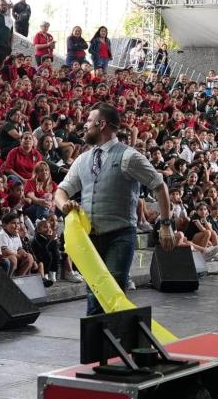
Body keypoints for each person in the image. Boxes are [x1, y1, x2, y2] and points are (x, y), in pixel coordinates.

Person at [54, 101, 176, 314]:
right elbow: (60, 191)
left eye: (89, 121)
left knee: (112, 293)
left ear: (101, 124)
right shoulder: (83, 159)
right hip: (90, 238)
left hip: (120, 236)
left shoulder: (129, 156)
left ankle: (110, 343)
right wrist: (65, 205)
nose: (85, 125)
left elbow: (159, 186)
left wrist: (165, 225)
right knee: (94, 293)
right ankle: (99, 345)